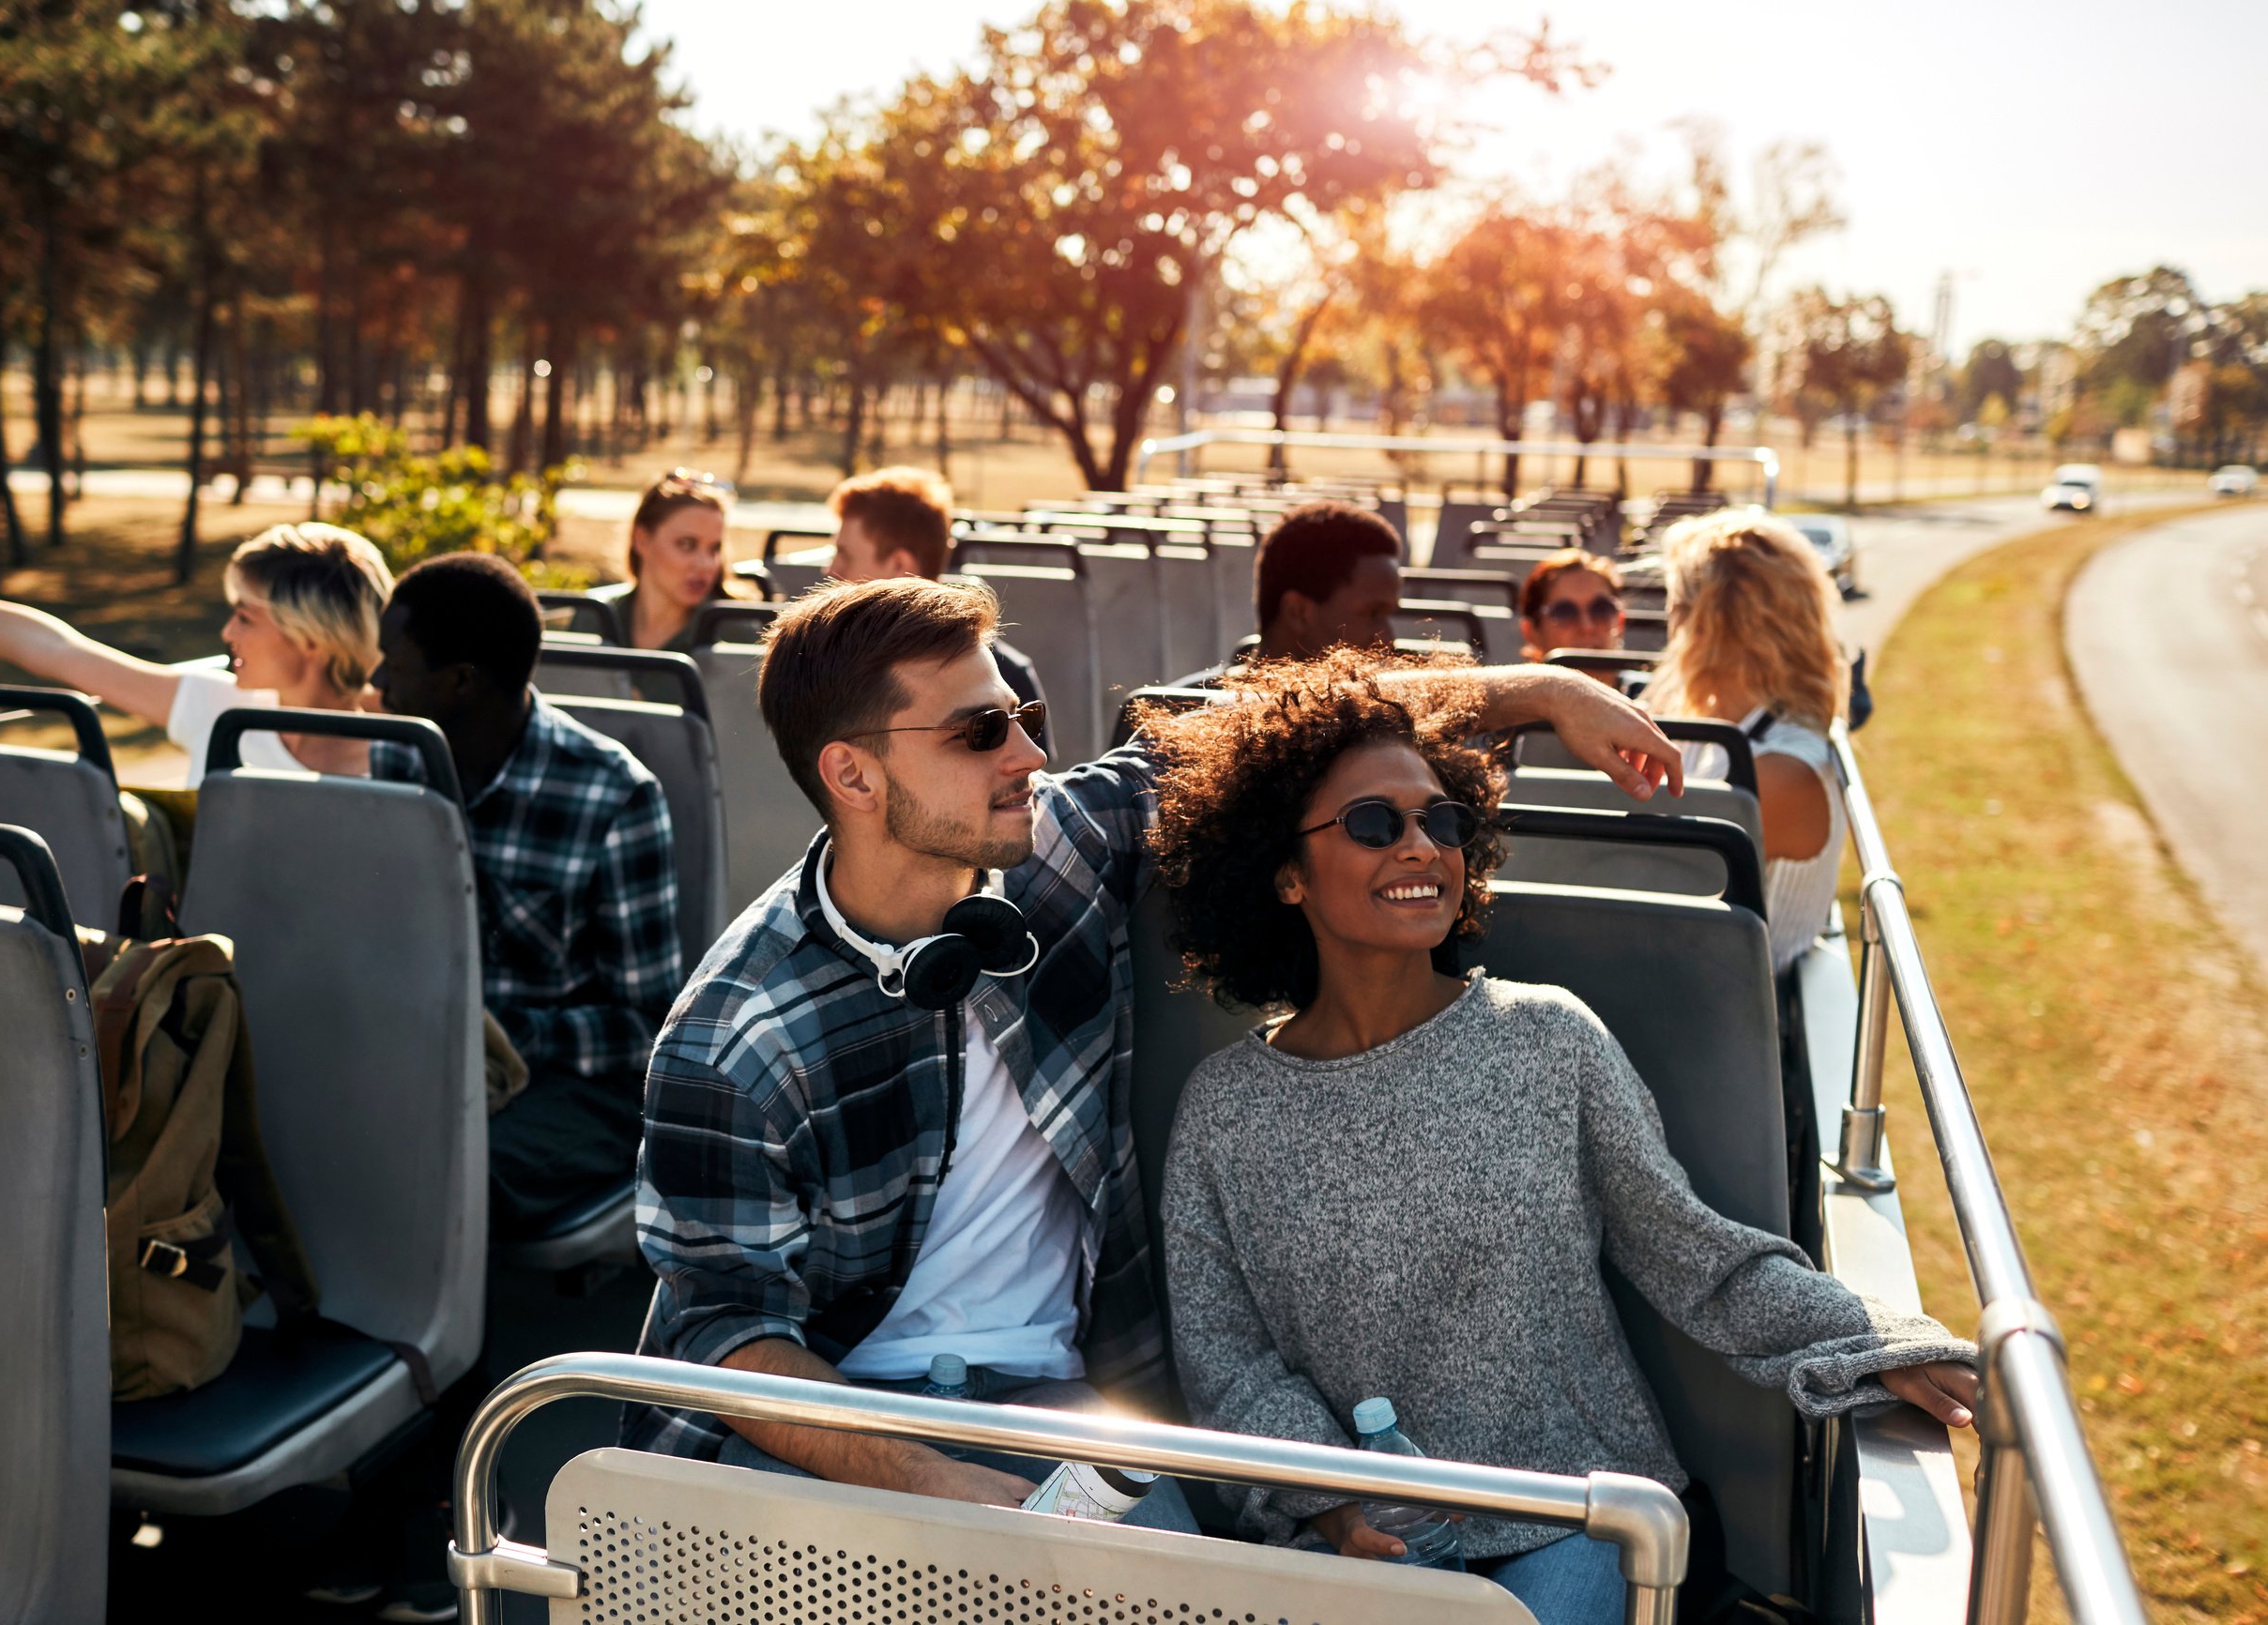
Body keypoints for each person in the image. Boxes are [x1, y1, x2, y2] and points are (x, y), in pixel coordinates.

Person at [627, 574, 1683, 1528]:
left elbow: (1281, 727)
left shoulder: (1060, 846)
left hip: (1068, 1412)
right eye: (983, 732)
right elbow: (726, 1339)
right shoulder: (734, 1037)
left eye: (1027, 718)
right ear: (852, 776)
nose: (1031, 755)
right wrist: (942, 1487)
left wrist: (1544, 690)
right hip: (833, 1433)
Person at [1140, 653, 1977, 1622]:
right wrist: (1329, 1500)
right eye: (1375, 824)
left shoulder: (1548, 1039)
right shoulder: (1224, 1108)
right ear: (1284, 874)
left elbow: (1699, 1261)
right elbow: (1228, 1357)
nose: (1420, 847)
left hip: (1581, 1514)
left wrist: (1877, 1341)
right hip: (1357, 1542)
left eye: (1438, 819)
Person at [367, 553, 684, 1238]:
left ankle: (446, 1343)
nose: (376, 681)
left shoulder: (612, 796)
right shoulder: (392, 759)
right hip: (425, 1055)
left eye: (394, 663)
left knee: (436, 1169)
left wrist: (507, 1035)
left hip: (573, 1083)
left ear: (458, 683)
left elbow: (651, 1028)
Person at [0, 524, 392, 783]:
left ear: (311, 637)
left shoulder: (406, 758)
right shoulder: (214, 708)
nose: (226, 632)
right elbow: (51, 648)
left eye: (245, 616)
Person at [1640, 512, 1853, 976]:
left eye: (1675, 605)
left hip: (1733, 1013)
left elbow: (1654, 884)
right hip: (1684, 971)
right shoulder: (1712, 719)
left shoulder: (1783, 770)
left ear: (1711, 625)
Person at [822, 464, 1053, 753]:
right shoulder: (822, 661)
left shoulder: (1004, 677)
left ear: (899, 566)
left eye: (844, 554)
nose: (831, 569)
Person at [1168, 499, 1402, 687]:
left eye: (1387, 615)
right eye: (1372, 613)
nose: (1387, 639)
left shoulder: (1393, 722)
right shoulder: (1171, 717)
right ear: (1297, 611)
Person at [589, 468, 753, 650]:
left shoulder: (736, 634)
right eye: (687, 544)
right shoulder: (593, 617)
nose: (706, 564)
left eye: (714, 549)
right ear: (641, 540)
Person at [1517, 548, 1627, 673]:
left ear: (1620, 621)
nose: (1587, 627)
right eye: (1564, 613)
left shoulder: (1650, 690)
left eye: (1602, 609)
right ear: (1531, 632)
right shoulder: (1511, 692)